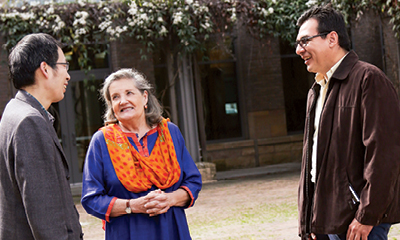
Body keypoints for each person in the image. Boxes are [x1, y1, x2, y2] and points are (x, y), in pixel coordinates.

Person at [295, 5, 400, 240]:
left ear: (332, 38)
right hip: (327, 218)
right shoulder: (317, 90)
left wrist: (367, 215)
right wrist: (308, 220)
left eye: (305, 41)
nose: (298, 50)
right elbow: (312, 163)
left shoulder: (368, 80)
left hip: (359, 220)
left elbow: (384, 154)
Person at [81, 68, 202, 240]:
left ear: (145, 97)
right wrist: (132, 206)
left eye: (129, 93)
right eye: (115, 97)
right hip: (126, 233)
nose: (123, 101)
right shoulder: (101, 141)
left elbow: (193, 181)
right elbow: (91, 199)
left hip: (172, 231)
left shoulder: (169, 133)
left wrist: (170, 199)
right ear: (111, 106)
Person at [0, 33, 83, 239]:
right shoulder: (30, 121)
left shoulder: (14, 110)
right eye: (64, 65)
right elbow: (45, 216)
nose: (68, 75)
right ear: (46, 69)